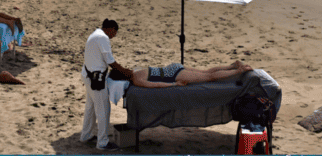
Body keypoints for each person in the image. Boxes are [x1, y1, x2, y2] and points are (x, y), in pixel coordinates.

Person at [81, 19, 133, 151]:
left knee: (90, 107)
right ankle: (102, 143)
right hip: (96, 79)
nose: (114, 35)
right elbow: (111, 61)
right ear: (111, 29)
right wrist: (126, 72)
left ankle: (86, 135)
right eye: (115, 32)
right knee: (103, 110)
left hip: (87, 75)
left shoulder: (95, 34)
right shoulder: (103, 38)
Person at [115, 60, 253, 88]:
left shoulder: (136, 80)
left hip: (174, 75)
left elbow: (157, 84)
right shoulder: (136, 70)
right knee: (206, 72)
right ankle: (232, 65)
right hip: (173, 67)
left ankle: (239, 70)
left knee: (208, 77)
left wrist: (175, 84)